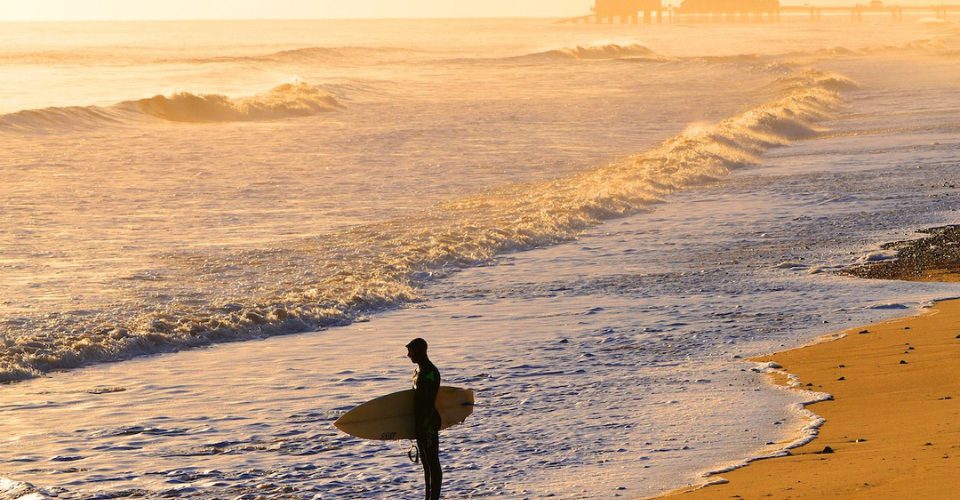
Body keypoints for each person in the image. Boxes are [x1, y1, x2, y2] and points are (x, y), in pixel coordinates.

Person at [406, 337, 441, 500]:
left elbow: (427, 403)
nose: (408, 355)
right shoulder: (418, 371)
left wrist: (424, 426)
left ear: (418, 352)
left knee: (433, 463)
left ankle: (434, 498)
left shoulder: (431, 372)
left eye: (410, 351)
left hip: (428, 424)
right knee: (426, 466)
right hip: (420, 423)